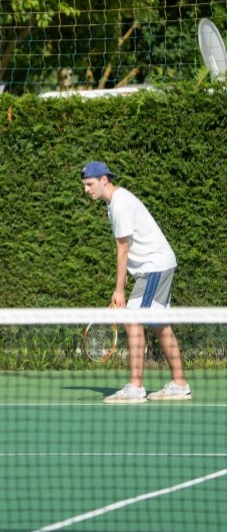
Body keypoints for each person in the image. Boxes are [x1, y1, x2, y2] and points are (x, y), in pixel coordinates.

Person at [80, 161, 191, 404]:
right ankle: (180, 385)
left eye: (89, 184)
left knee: (132, 320)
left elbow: (122, 251)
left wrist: (119, 291)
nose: (87, 189)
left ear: (104, 180)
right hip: (158, 265)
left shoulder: (119, 204)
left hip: (154, 266)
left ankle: (135, 387)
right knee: (159, 325)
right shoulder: (115, 203)